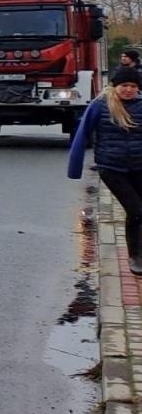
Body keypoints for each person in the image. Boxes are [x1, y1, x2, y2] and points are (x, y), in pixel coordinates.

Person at [69, 65, 142, 276]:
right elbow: (82, 134)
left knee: (138, 213)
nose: (128, 90)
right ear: (115, 86)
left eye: (133, 86)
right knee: (136, 210)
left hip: (139, 166)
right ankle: (135, 256)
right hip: (112, 168)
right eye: (124, 85)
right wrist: (75, 168)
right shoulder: (100, 106)